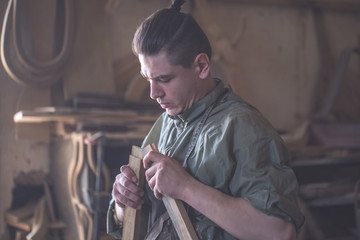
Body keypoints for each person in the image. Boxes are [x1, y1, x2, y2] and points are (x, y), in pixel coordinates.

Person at [107, 0, 304, 239]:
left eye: (164, 79)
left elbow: (279, 233)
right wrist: (123, 202)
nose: (153, 93)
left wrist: (186, 187)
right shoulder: (166, 123)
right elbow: (139, 220)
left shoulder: (243, 127)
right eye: (148, 79)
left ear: (201, 66)